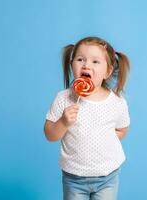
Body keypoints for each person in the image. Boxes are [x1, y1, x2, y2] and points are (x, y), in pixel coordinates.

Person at [44, 36, 131, 200]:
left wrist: (106, 139)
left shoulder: (116, 102)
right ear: (71, 65)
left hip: (108, 177)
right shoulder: (63, 99)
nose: (86, 65)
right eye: (80, 59)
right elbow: (50, 134)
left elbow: (122, 128)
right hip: (74, 178)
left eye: (95, 62)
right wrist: (63, 122)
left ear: (108, 71)